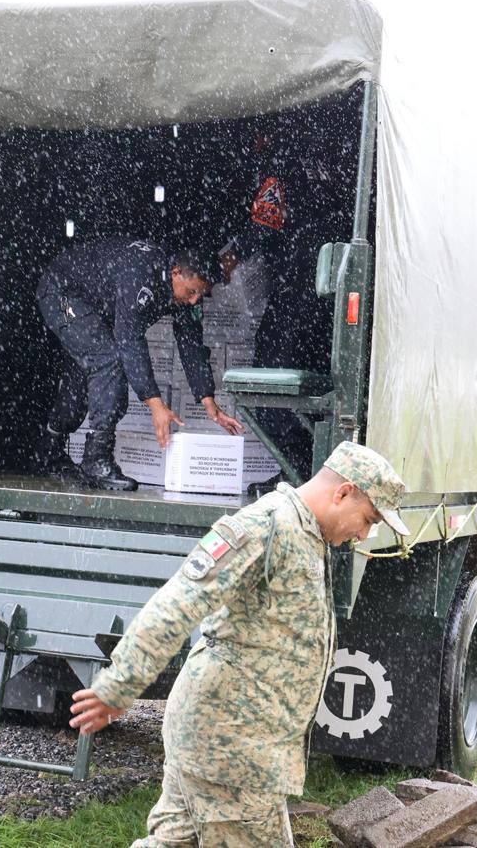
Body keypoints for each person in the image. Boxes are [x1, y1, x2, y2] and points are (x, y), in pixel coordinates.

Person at [69, 441, 409, 847]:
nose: (364, 533)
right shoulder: (265, 526)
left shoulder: (305, 535)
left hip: (225, 741)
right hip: (231, 750)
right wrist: (119, 685)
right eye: (368, 519)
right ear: (343, 492)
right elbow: (178, 602)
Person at [35, 238, 245, 490]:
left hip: (93, 305)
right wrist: (155, 403)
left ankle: (48, 449)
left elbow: (191, 344)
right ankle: (95, 458)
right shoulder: (141, 274)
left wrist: (208, 400)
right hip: (63, 290)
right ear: (176, 271)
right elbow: (129, 341)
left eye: (201, 294)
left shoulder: (184, 294)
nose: (194, 300)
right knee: (108, 359)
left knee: (85, 370)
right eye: (191, 292)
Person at [220, 123, 346, 495]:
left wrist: (234, 253)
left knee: (271, 372)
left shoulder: (280, 164)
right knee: (310, 376)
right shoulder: (319, 163)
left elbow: (265, 221)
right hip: (326, 291)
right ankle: (307, 470)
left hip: (299, 284)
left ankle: (295, 473)